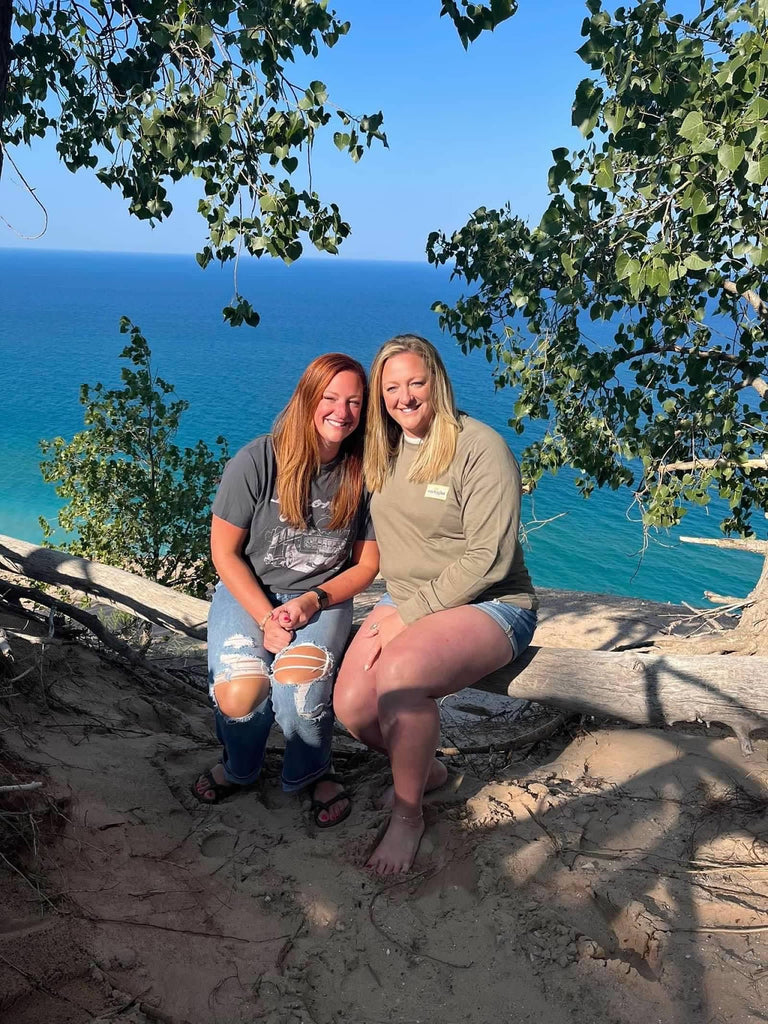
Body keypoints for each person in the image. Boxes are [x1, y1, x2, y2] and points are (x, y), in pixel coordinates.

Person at [334, 334, 537, 870]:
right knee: (352, 706)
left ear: (438, 383)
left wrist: (412, 615)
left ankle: (408, 816)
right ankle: (434, 775)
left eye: (415, 383)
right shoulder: (384, 448)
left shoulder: (479, 447)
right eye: (391, 387)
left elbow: (488, 559)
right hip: (406, 599)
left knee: (399, 677)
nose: (405, 397)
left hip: (494, 605)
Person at [193, 353, 379, 827]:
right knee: (238, 692)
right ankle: (240, 768)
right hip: (248, 591)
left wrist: (312, 601)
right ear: (307, 399)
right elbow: (225, 553)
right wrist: (264, 618)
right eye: (330, 398)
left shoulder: (364, 472)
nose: (342, 411)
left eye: (355, 402)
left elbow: (368, 563)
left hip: (321, 599)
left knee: (299, 684)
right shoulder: (259, 460)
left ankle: (314, 770)